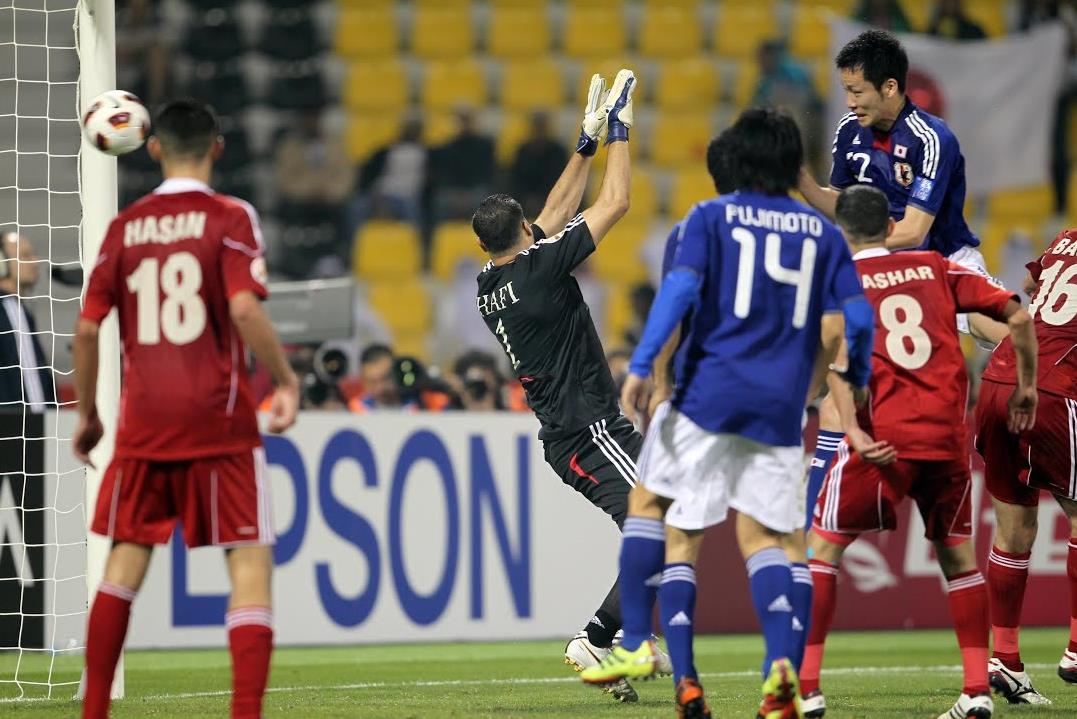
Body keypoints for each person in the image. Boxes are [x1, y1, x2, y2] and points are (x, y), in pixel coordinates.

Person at [581, 108, 873, 719]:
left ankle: (636, 641)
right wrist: (860, 383)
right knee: (770, 538)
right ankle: (782, 668)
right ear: (792, 165)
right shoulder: (824, 234)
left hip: (707, 394)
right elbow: (857, 319)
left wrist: (639, 366)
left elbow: (681, 294)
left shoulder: (707, 218)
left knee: (651, 505)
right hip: (779, 409)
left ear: (736, 161)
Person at [72, 99, 300, 719]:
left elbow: (88, 331)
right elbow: (245, 309)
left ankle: (93, 710)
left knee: (123, 563)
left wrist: (90, 415)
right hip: (220, 422)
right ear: (217, 148)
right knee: (248, 562)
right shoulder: (229, 215)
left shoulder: (123, 229)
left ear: (152, 149)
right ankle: (245, 713)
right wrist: (285, 380)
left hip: (145, 424)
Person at [800, 186, 1037, 719]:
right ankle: (977, 691)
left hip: (885, 441)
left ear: (843, 235)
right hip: (947, 444)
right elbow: (1019, 318)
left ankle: (808, 688)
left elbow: (839, 355)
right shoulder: (937, 266)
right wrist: (1027, 386)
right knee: (958, 562)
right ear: (890, 228)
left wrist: (854, 434)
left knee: (823, 549)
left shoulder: (844, 283)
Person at [473, 69, 670, 702]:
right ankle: (598, 639)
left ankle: (614, 641)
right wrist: (619, 133)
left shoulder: (492, 283)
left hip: (571, 433)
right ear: (524, 236)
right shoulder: (540, 270)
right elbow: (615, 205)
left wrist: (581, 146)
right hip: (589, 428)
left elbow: (549, 220)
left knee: (656, 523)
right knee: (660, 521)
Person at [798, 28, 1009, 549]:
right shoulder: (850, 132)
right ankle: (807, 532)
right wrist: (797, 180)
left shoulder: (933, 138)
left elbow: (915, 231)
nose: (850, 102)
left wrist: (867, 251)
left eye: (858, 92)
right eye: (846, 91)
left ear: (890, 86)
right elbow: (842, 209)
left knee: (1007, 332)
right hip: (880, 268)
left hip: (942, 259)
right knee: (832, 402)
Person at [976, 225, 1077, 705]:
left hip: (997, 379)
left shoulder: (1066, 236)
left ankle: (1006, 659)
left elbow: (1039, 298)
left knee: (1012, 531)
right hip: (1054, 389)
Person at [0, 231, 55, 414]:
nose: (35, 262)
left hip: (32, 430)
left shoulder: (22, 312)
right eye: (25, 255)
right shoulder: (8, 309)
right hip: (13, 433)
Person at [510, 111, 569, 218]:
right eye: (536, 126)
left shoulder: (559, 152)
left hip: (553, 199)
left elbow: (561, 179)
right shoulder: (522, 151)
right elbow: (517, 179)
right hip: (524, 200)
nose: (539, 130)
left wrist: (544, 199)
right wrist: (528, 198)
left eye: (542, 126)